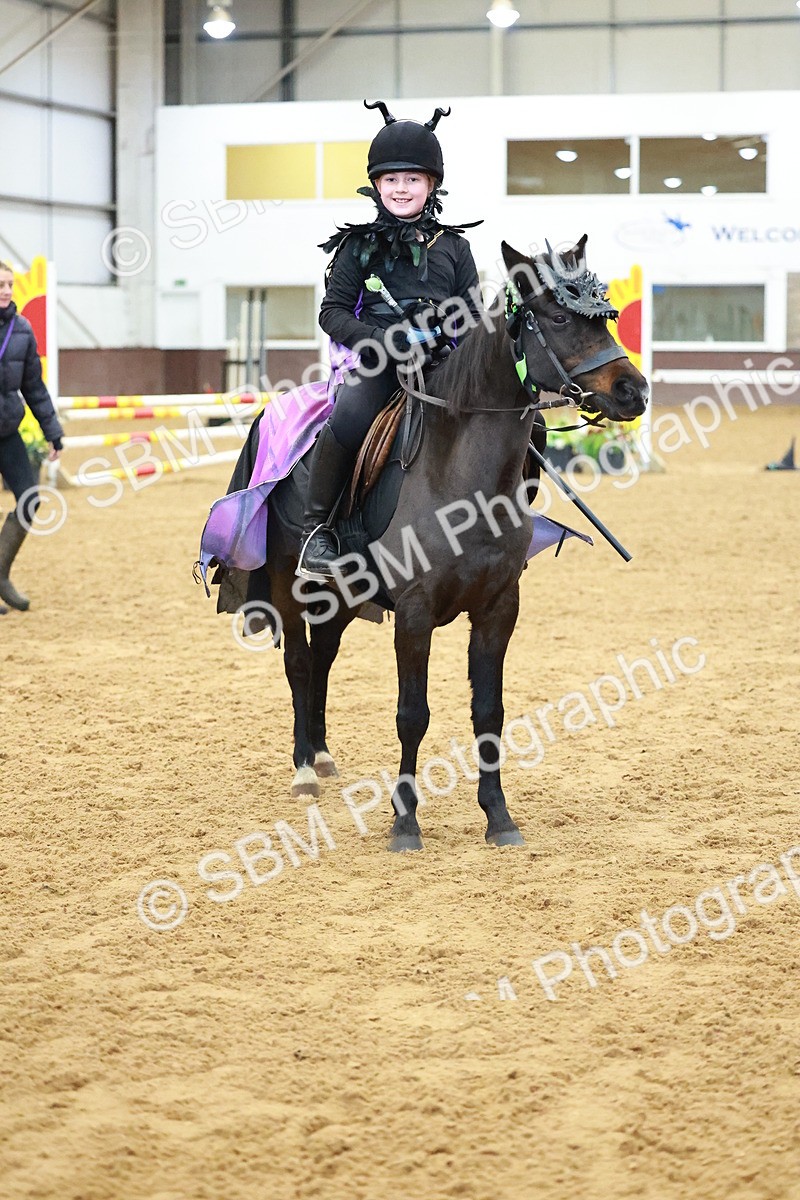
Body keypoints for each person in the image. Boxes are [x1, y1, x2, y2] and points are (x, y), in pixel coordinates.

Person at [297, 100, 483, 580]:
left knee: (511, 417)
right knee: (350, 415)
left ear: (431, 185)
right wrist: (381, 340)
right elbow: (332, 312)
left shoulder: (455, 247)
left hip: (443, 364)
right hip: (380, 363)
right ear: (377, 186)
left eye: (413, 179)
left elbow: (473, 316)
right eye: (392, 179)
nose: (402, 188)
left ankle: (505, 515)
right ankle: (316, 532)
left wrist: (451, 340)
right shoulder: (357, 246)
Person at [0, 260, 63, 611]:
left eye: (10, 284)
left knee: (29, 499)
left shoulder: (22, 330)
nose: (7, 290)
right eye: (0, 285)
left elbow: (34, 387)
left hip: (7, 430)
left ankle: (0, 574)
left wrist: (52, 432)